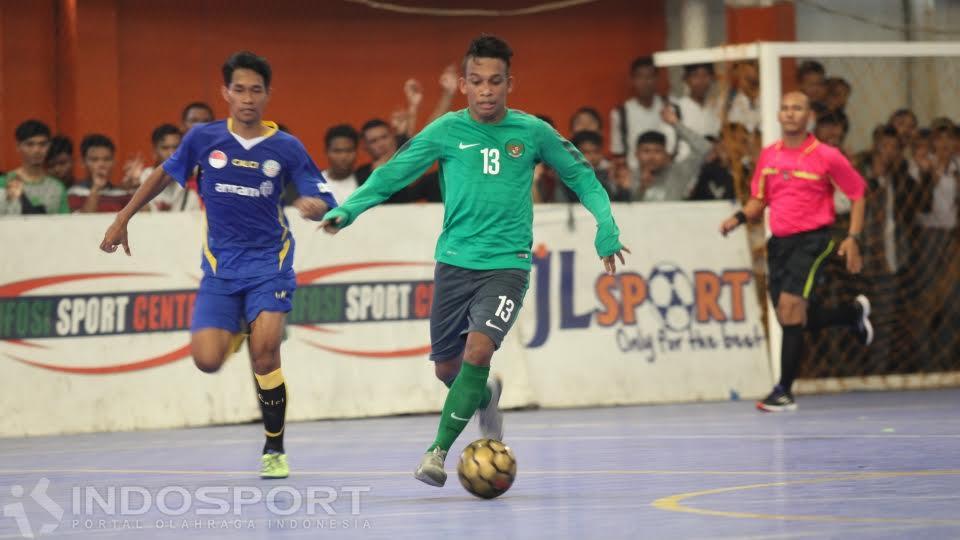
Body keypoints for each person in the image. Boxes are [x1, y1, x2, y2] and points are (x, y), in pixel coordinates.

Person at [318, 35, 628, 487]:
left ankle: (437, 452)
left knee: (478, 350)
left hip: (507, 264)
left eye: (495, 81)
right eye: (477, 81)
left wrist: (606, 226)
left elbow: (582, 176)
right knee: (448, 368)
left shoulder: (532, 132)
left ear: (509, 84)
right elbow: (392, 174)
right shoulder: (446, 131)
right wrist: (348, 210)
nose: (486, 90)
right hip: (454, 262)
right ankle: (485, 396)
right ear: (463, 84)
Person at [99, 51, 337, 478]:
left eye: (256, 90)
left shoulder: (286, 146)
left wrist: (315, 206)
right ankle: (242, 329)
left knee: (266, 355)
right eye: (239, 90)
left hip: (270, 264)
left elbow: (323, 198)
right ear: (225, 92)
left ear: (268, 94)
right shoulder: (203, 138)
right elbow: (163, 175)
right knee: (207, 360)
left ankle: (274, 448)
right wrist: (123, 217)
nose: (247, 98)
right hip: (221, 269)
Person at [719, 91, 873, 412]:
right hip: (780, 242)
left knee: (790, 309)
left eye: (797, 108)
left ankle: (784, 392)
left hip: (814, 240)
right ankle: (851, 314)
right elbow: (759, 199)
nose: (790, 113)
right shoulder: (769, 156)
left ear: (809, 116)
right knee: (790, 316)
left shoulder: (827, 155)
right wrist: (738, 218)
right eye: (785, 108)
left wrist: (853, 237)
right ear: (778, 115)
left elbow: (858, 193)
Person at [0, 120, 68, 215]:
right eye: (30, 144)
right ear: (18, 146)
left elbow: (65, 222)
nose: (36, 150)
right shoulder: (3, 182)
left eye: (42, 144)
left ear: (49, 146)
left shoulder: (57, 187)